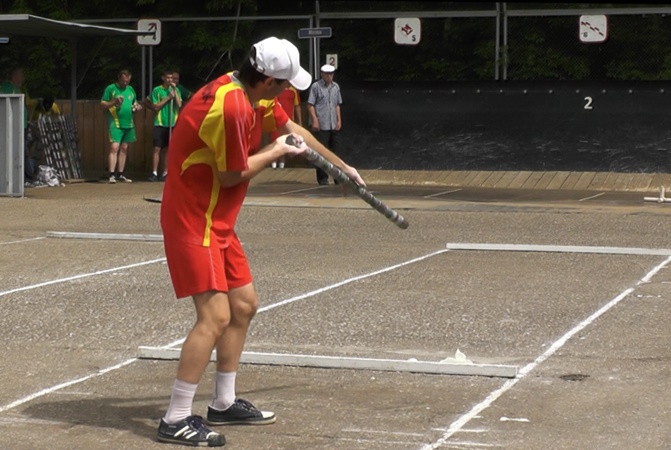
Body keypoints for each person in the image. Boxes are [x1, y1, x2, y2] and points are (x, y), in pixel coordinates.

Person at [157, 36, 364, 447]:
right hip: (192, 217)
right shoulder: (231, 106)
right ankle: (176, 416)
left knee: (244, 305)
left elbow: (292, 129)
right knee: (214, 316)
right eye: (286, 85)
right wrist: (273, 152)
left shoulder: (251, 92)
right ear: (268, 80)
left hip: (218, 220)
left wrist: (342, 167)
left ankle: (223, 402)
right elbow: (231, 175)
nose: (289, 92)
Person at [100, 69, 142, 183]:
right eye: (123, 81)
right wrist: (114, 102)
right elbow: (103, 104)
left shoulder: (131, 89)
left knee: (124, 148)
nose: (125, 83)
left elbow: (134, 103)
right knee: (114, 147)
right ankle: (111, 174)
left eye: (127, 81)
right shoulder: (111, 89)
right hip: (115, 121)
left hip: (128, 122)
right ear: (119, 79)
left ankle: (121, 173)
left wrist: (137, 107)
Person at [307, 64, 342, 185]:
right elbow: (310, 104)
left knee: (335, 151)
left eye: (331, 74)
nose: (330, 76)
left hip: (333, 124)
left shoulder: (336, 87)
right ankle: (323, 179)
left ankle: (338, 178)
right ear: (322, 74)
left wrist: (339, 120)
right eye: (327, 74)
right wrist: (315, 120)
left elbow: (337, 104)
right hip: (322, 124)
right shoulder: (316, 87)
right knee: (321, 152)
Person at [147, 70, 182, 182]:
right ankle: (154, 172)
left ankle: (165, 172)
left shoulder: (176, 90)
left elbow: (179, 104)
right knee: (157, 148)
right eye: (168, 78)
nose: (170, 80)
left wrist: (174, 92)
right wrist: (167, 98)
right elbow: (156, 106)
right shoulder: (157, 90)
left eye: (171, 78)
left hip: (172, 123)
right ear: (163, 78)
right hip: (160, 122)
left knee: (167, 149)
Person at [269, 86, 302, 169]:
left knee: (285, 142)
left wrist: (299, 121)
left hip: (288, 121)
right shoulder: (276, 88)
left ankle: (282, 164)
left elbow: (297, 106)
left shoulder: (293, 90)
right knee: (275, 141)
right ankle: (273, 162)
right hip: (275, 120)